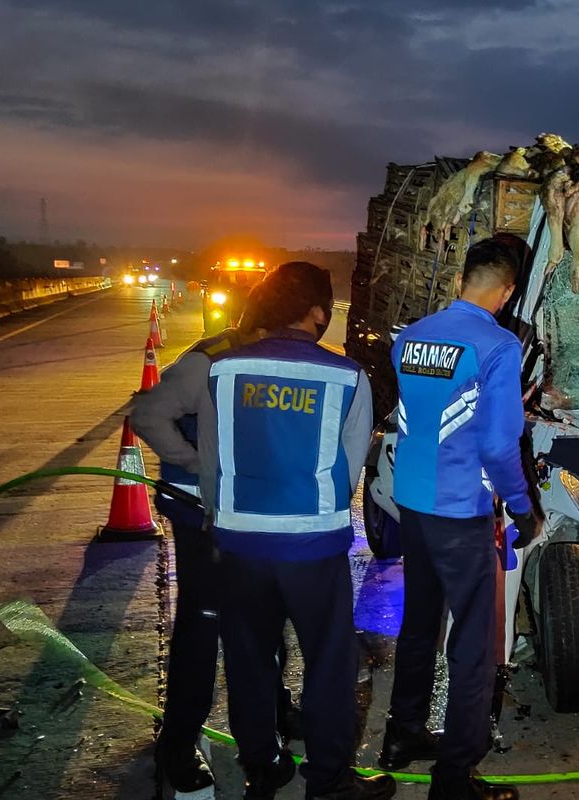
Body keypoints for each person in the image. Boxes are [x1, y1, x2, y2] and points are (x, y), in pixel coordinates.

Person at [132, 262, 394, 800]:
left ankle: (261, 769)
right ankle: (328, 781)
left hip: (238, 543)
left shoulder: (222, 368)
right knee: (328, 663)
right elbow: (347, 472)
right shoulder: (347, 377)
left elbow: (211, 456)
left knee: (249, 660)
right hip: (312, 546)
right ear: (318, 313)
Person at [379, 238, 541, 800]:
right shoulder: (497, 344)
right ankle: (454, 778)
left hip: (413, 502)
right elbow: (499, 444)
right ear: (507, 292)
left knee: (419, 623)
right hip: (459, 510)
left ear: (459, 281)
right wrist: (522, 506)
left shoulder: (413, 336)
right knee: (472, 643)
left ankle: (401, 736)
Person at [133, 305, 302, 798]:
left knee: (265, 620)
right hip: (201, 516)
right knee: (203, 628)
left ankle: (273, 713)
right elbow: (147, 414)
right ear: (263, 325)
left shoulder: (262, 360)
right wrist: (198, 463)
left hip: (247, 514)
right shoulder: (209, 361)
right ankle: (178, 744)